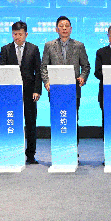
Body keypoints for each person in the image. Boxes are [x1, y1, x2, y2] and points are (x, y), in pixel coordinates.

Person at [40, 16, 91, 146]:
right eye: (61, 26)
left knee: (73, 119)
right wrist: (46, 81)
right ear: (56, 29)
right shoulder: (49, 46)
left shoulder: (79, 46)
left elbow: (86, 66)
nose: (64, 28)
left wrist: (83, 77)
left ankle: (73, 150)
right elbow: (44, 66)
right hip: (55, 89)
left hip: (73, 89)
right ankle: (58, 149)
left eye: (67, 26)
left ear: (71, 29)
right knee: (58, 119)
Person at [0, 21, 42, 165]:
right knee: (12, 122)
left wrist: (37, 90)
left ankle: (30, 155)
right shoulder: (5, 49)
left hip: (30, 92)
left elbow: (38, 71)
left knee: (31, 123)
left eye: (20, 34)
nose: (17, 37)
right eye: (14, 34)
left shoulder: (33, 49)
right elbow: (2, 71)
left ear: (26, 34)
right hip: (11, 92)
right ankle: (13, 152)